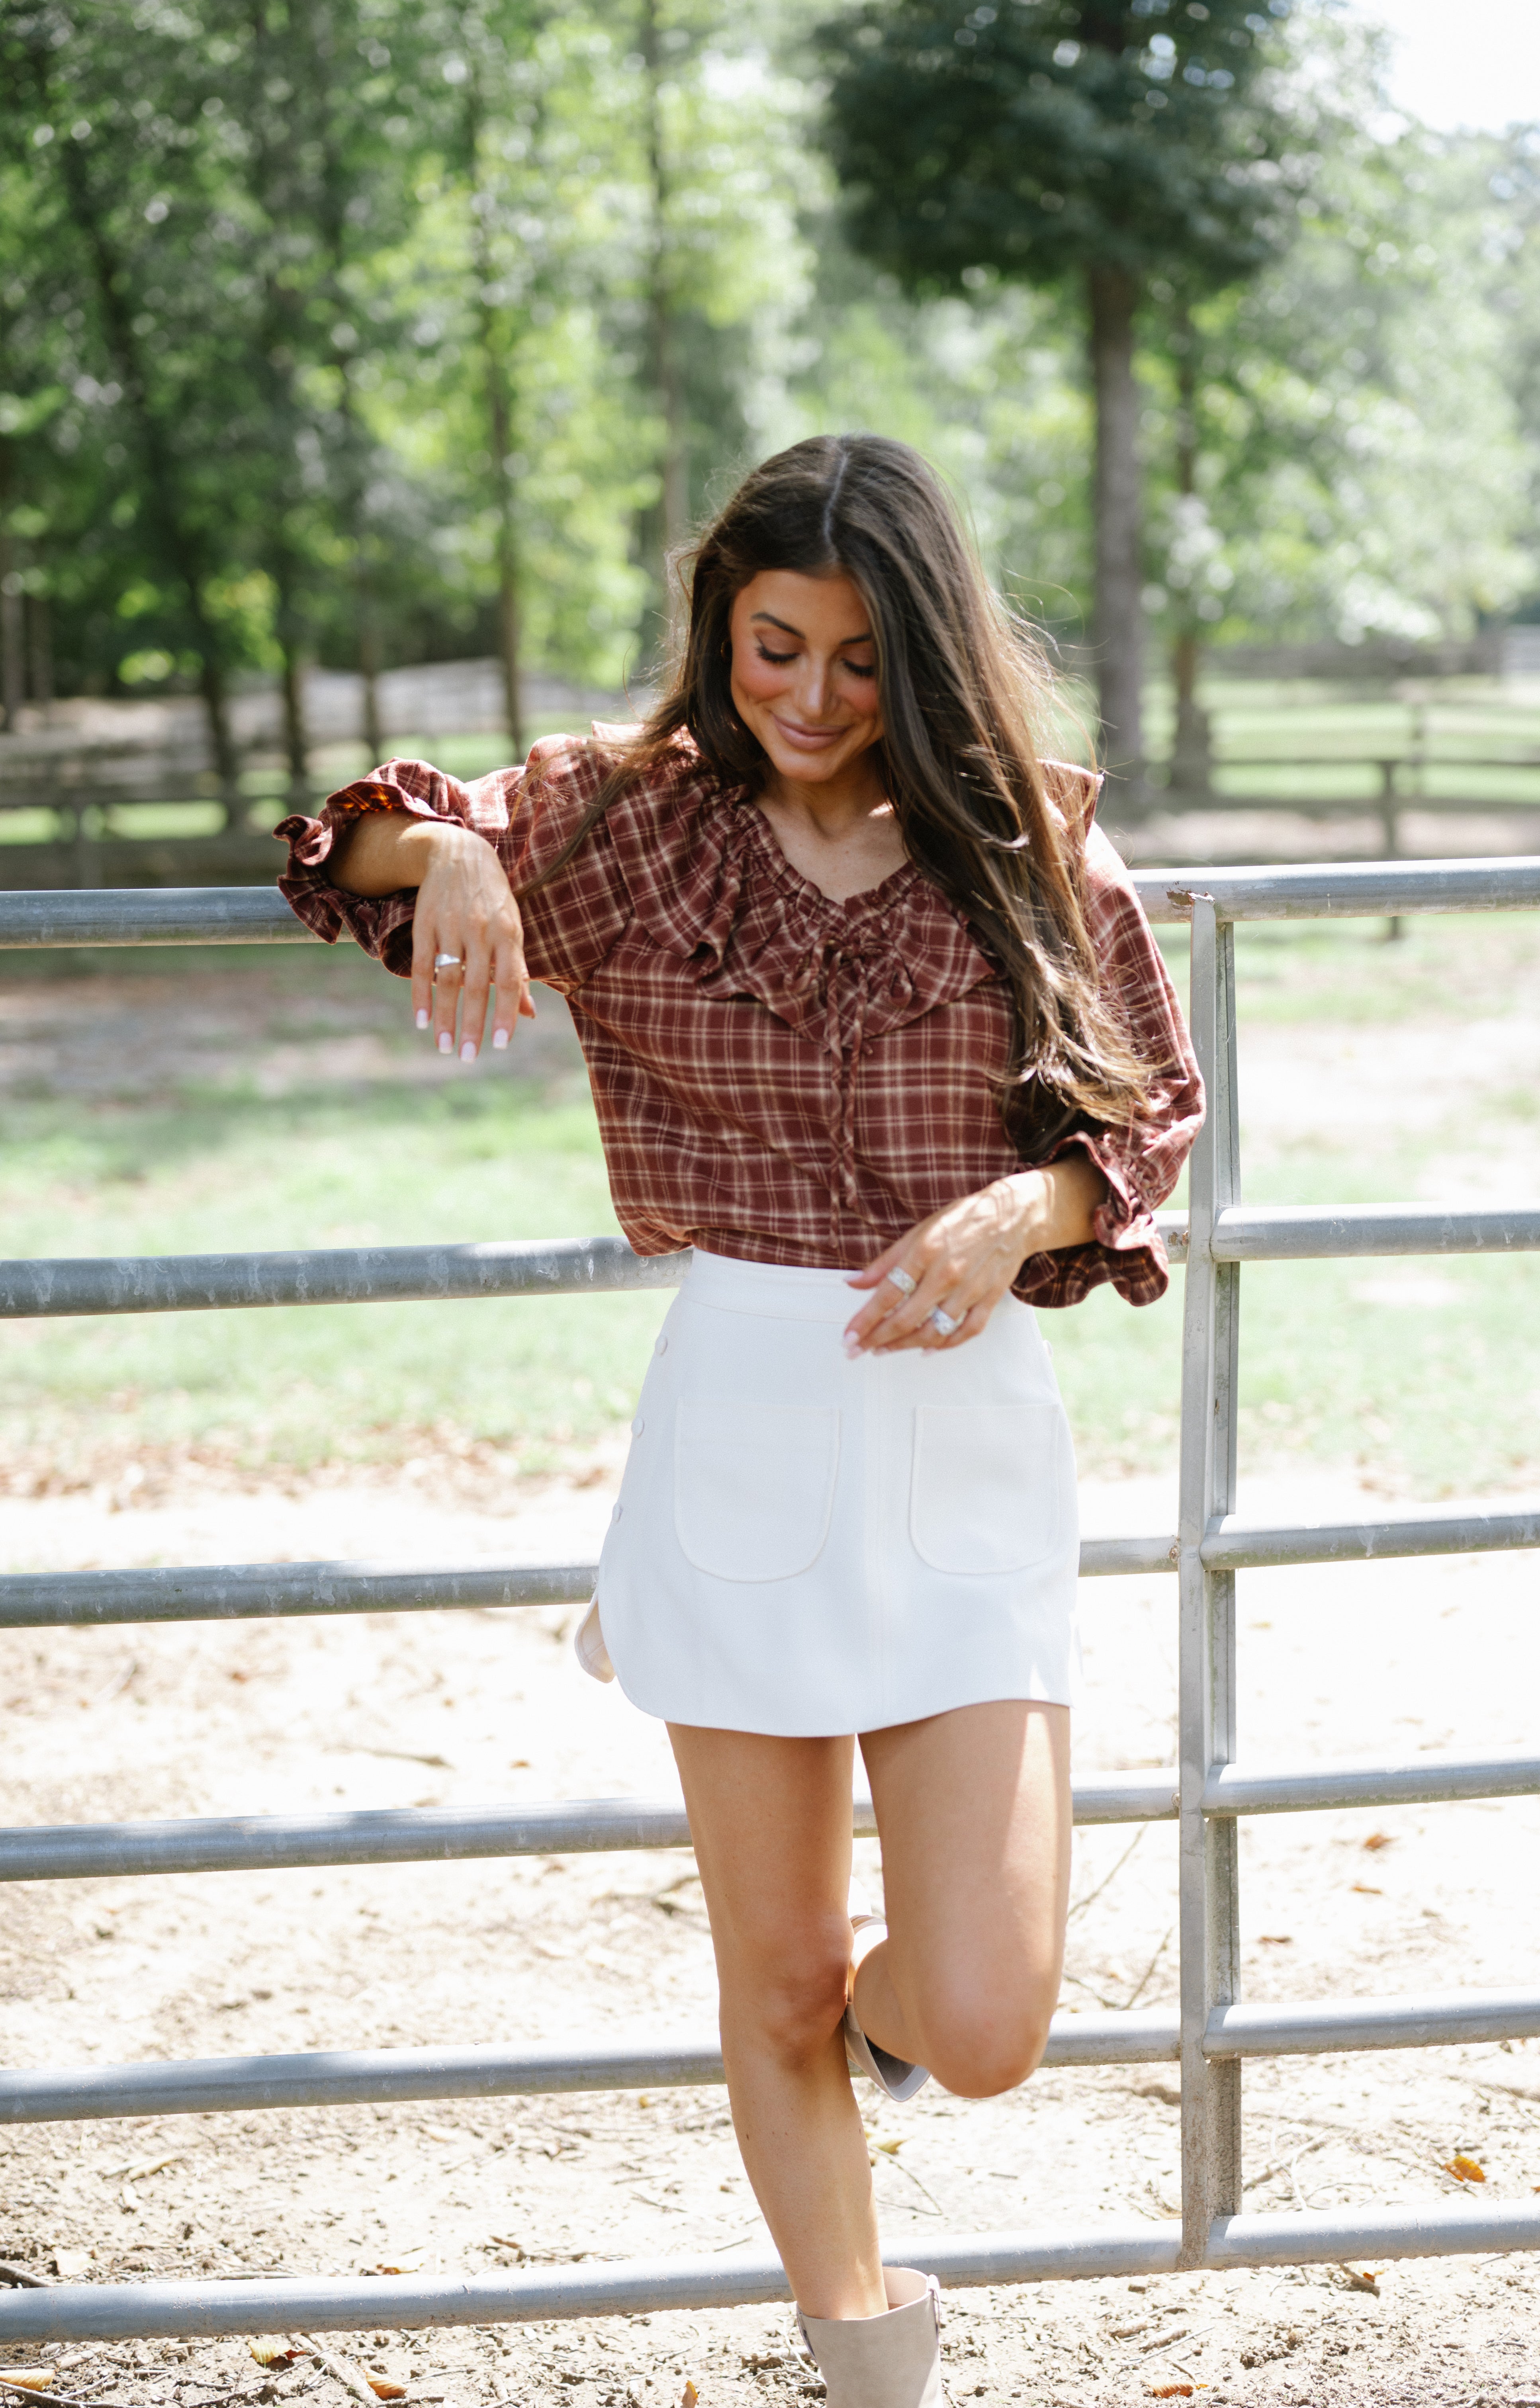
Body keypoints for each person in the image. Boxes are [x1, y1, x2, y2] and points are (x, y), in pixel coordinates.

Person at [277, 434, 1203, 2408]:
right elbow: (332, 841)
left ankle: (888, 2027)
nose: (803, 697)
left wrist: (1027, 1203)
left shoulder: (1032, 843)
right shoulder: (626, 824)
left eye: (859, 662)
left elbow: (1146, 1122)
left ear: (929, 665)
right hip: (741, 1429)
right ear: (720, 624)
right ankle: (863, 2362)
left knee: (980, 2016)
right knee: (770, 1979)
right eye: (771, 644)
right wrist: (446, 849)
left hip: (964, 1440)